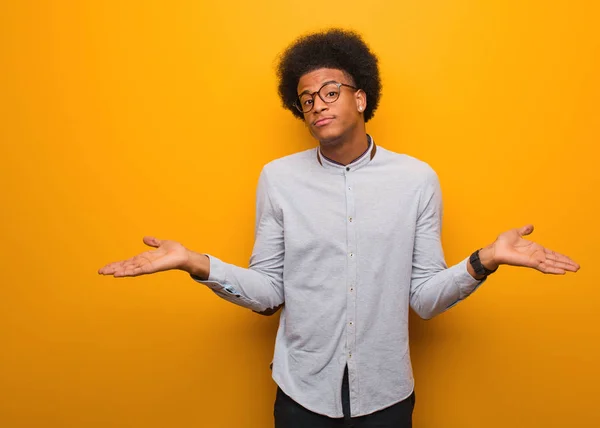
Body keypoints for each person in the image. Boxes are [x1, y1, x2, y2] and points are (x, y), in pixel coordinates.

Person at [98, 28, 580, 428]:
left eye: (331, 92)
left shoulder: (417, 180)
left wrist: (484, 261)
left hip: (387, 397)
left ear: (361, 96)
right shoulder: (278, 179)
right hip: (301, 394)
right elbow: (267, 293)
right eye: (307, 99)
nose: (318, 105)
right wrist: (193, 262)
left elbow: (425, 299)